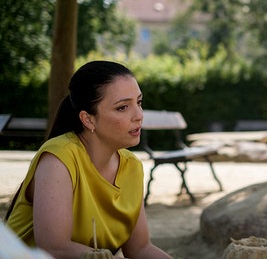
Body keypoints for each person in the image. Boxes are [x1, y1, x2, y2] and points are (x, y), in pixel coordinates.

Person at [5, 60, 171, 259]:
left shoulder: (132, 166)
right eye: (122, 107)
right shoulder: (59, 158)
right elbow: (53, 248)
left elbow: (140, 249)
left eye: (139, 102)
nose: (139, 115)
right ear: (88, 119)